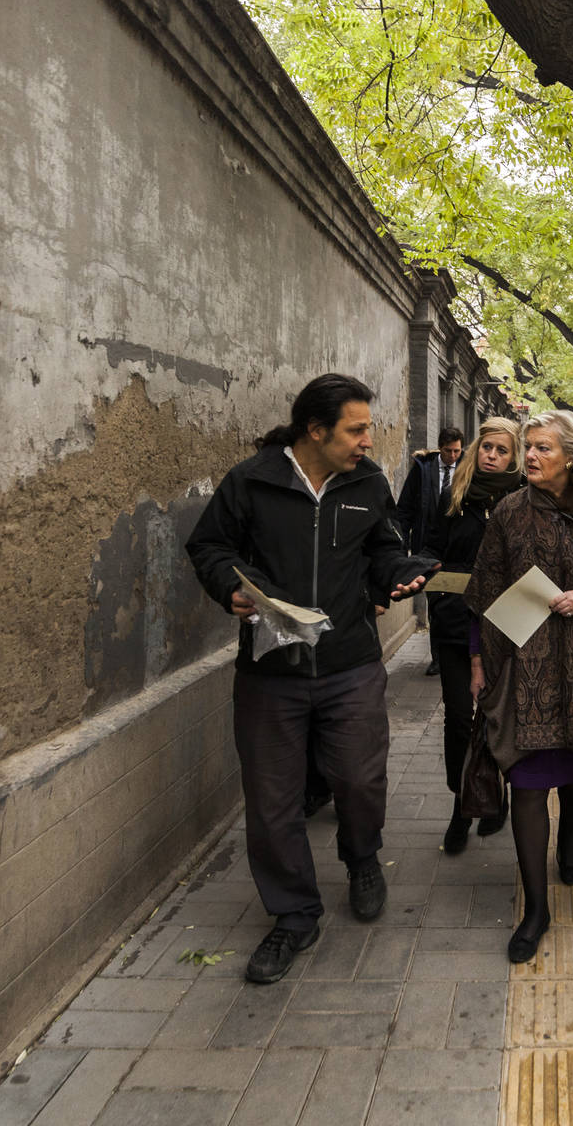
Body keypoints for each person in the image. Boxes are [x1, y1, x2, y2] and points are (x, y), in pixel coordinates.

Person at [185, 374, 434, 984]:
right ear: (316, 431)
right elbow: (209, 547)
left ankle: (363, 859)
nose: (368, 441)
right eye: (357, 429)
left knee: (359, 777)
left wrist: (398, 573)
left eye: (367, 429)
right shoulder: (252, 481)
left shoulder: (367, 483)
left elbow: (382, 551)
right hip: (271, 669)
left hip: (351, 664)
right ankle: (294, 915)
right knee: (273, 800)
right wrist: (230, 588)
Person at [465, 410, 573, 963]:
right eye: (528, 446)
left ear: (571, 455)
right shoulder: (509, 511)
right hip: (524, 668)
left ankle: (569, 836)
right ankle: (536, 909)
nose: (530, 456)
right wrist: (477, 660)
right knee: (526, 781)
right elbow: (484, 588)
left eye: (542, 447)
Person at [422, 417, 525, 853]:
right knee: (459, 717)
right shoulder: (454, 495)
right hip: (455, 620)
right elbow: (430, 546)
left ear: (513, 457)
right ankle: (461, 804)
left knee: (499, 716)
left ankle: (496, 795)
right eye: (487, 448)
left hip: (507, 625)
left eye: (502, 450)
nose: (492, 456)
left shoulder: (524, 498)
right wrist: (430, 572)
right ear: (475, 449)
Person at [397, 427, 467, 674]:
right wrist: (402, 547)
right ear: (440, 448)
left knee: (455, 601)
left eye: (457, 451)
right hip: (429, 548)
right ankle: (438, 658)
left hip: (456, 549)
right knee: (435, 602)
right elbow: (405, 508)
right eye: (448, 451)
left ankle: (458, 654)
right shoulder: (423, 469)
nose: (453, 456)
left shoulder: (467, 468)